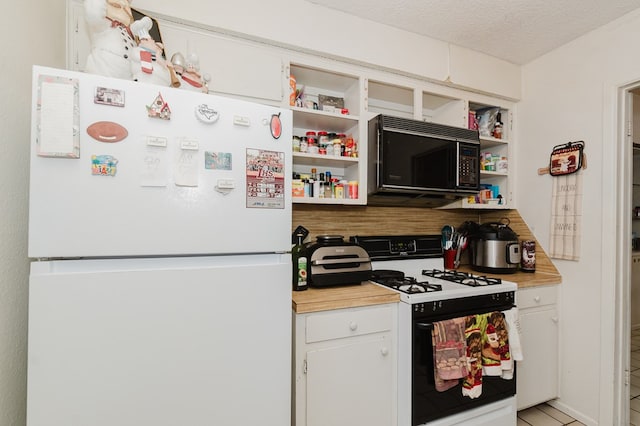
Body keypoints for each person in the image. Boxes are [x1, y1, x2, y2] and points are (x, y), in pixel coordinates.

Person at [84, 0, 136, 80]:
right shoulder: (103, 25)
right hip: (105, 70)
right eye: (116, 6)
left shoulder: (129, 31)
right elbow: (94, 13)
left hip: (128, 75)